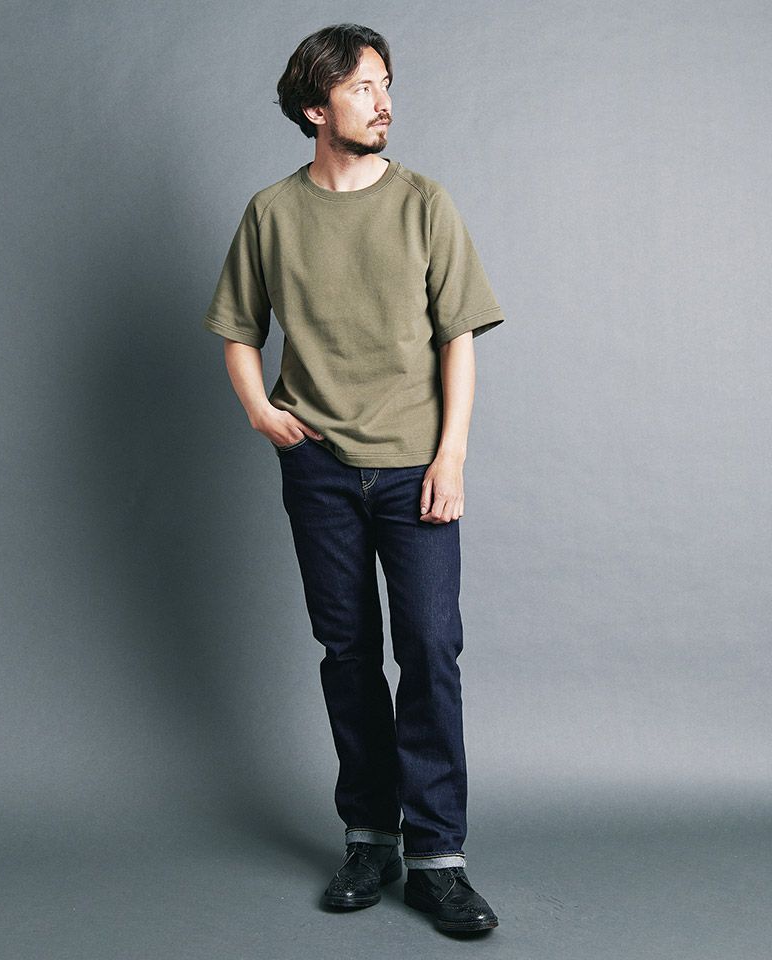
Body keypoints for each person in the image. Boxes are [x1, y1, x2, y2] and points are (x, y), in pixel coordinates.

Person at [202, 22, 505, 935]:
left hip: (416, 469)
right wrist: (262, 415)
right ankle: (370, 838)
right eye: (364, 87)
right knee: (347, 654)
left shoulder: (424, 202)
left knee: (430, 650)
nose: (385, 104)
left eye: (386, 85)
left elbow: (458, 338)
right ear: (315, 107)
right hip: (320, 470)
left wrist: (451, 455)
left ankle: (438, 859)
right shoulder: (271, 213)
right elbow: (238, 331)